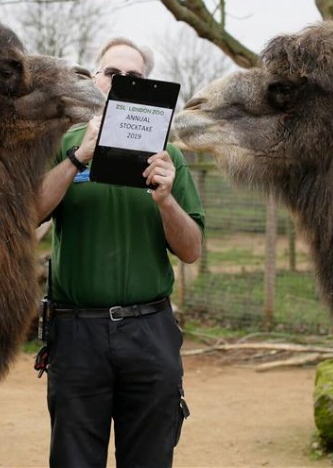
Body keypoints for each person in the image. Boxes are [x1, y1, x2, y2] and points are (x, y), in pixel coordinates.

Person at [36, 37, 205, 467]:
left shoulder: (168, 158)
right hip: (76, 336)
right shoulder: (63, 145)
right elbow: (27, 214)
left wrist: (166, 199)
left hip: (149, 331)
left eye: (135, 76)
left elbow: (191, 251)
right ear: (96, 80)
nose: (124, 81)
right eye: (113, 73)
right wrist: (79, 157)